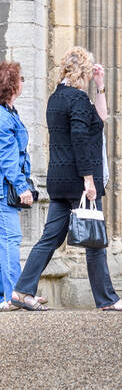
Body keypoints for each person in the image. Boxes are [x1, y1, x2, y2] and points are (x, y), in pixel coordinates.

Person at [11, 46, 122, 312]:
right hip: (79, 181)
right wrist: (89, 181)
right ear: (82, 71)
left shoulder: (57, 98)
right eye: (90, 71)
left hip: (59, 180)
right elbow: (80, 140)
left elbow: (100, 118)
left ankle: (22, 291)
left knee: (50, 238)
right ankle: (108, 300)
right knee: (95, 242)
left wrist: (100, 86)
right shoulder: (78, 100)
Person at [0, 62, 44, 310]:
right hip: (4, 191)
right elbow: (7, 159)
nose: (24, 82)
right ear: (12, 85)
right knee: (10, 239)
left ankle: (7, 296)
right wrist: (22, 187)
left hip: (4, 189)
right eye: (21, 78)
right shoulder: (3, 117)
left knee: (4, 241)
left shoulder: (9, 112)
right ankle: (14, 296)